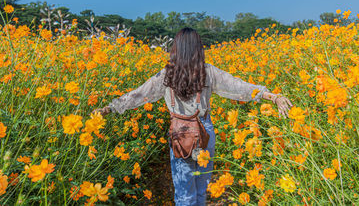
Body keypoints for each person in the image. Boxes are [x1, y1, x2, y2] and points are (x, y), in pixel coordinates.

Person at [92, 27, 293, 206]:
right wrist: (271, 96)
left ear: (176, 48)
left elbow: (138, 94)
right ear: (198, 48)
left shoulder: (166, 74)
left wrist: (109, 108)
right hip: (204, 132)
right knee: (201, 187)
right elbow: (239, 86)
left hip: (180, 134)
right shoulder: (207, 71)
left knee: (183, 192)